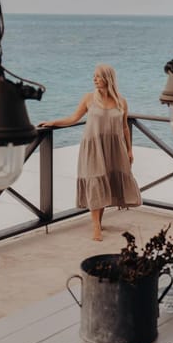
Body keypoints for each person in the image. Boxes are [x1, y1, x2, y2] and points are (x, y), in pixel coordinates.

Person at [39, 63, 142, 241]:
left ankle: (99, 222)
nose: (94, 79)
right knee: (95, 182)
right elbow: (73, 118)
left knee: (106, 182)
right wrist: (53, 122)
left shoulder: (121, 102)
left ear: (107, 78)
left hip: (114, 149)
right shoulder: (89, 98)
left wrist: (129, 149)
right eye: (94, 76)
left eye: (98, 76)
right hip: (93, 148)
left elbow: (125, 127)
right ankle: (96, 226)